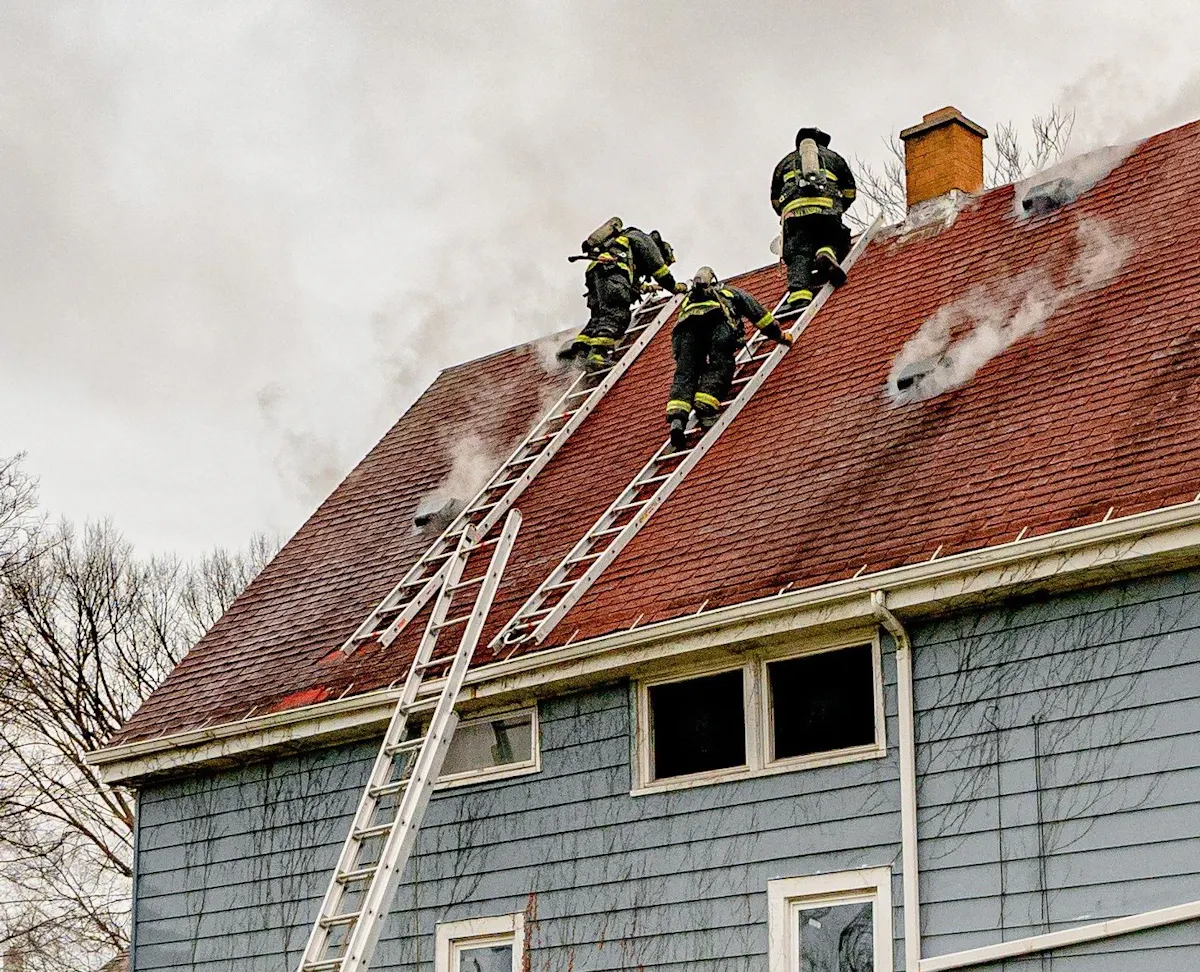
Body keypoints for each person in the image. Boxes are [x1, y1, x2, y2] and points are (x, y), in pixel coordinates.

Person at [665, 268, 791, 449]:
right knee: (720, 367)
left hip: (685, 334)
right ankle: (705, 410)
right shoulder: (730, 293)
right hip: (717, 328)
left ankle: (677, 420)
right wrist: (779, 335)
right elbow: (759, 315)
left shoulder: (688, 301)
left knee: (685, 374)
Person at [558, 218, 686, 370]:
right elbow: (659, 269)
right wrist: (675, 287)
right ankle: (598, 355)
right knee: (617, 315)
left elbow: (628, 280)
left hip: (596, 273)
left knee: (600, 316)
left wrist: (648, 288)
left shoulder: (624, 242)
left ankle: (582, 349)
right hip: (611, 271)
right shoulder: (646, 241)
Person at [770, 127, 857, 316]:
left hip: (795, 216)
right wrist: (838, 207)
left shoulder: (784, 163)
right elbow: (850, 190)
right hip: (826, 211)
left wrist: (788, 213)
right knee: (834, 238)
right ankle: (825, 254)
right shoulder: (834, 158)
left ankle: (799, 297)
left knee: (798, 253)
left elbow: (775, 199)